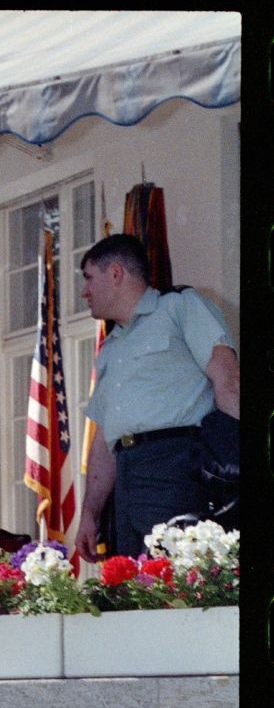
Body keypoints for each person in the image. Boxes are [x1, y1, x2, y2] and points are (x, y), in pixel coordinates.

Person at [75, 234, 240, 561]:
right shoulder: (110, 349)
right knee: (134, 592)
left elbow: (229, 379)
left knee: (179, 584)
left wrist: (236, 471)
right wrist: (90, 513)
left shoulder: (180, 306)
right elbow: (103, 441)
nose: (85, 292)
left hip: (176, 466)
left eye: (89, 278)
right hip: (126, 478)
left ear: (116, 273)